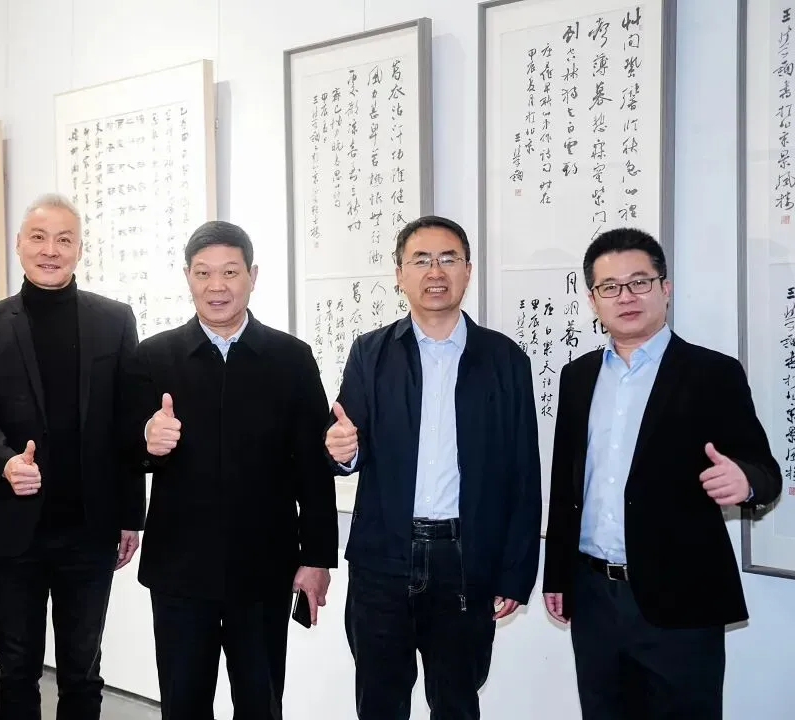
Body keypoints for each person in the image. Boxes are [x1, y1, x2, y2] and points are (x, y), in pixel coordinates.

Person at [542, 227, 781, 719]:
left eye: (639, 282)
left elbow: (765, 471)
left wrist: (746, 482)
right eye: (610, 287)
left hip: (681, 599)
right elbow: (567, 484)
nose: (626, 297)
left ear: (664, 288)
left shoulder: (712, 373)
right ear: (593, 299)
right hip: (594, 597)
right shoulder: (578, 376)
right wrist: (557, 574)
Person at [324, 215, 541, 719]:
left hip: (465, 559)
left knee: (458, 702)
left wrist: (515, 572)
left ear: (468, 271)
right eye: (420, 260)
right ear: (399, 274)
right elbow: (346, 441)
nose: (435, 272)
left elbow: (523, 473)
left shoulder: (505, 359)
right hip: (383, 558)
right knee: (379, 701)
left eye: (448, 259)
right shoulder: (371, 352)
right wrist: (341, 449)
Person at [131, 220, 338, 720]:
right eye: (203, 272)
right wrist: (147, 443)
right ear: (187, 277)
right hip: (180, 570)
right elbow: (123, 451)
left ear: (252, 276)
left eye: (230, 272)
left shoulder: (290, 359)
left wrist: (317, 558)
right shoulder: (154, 357)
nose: (216, 286)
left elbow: (313, 468)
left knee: (261, 704)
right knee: (183, 704)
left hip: (264, 568)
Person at [0, 193, 145, 720]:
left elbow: (128, 421)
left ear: (80, 248)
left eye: (64, 239)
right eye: (38, 238)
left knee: (83, 671)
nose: (50, 250)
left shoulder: (114, 320)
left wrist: (131, 514)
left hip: (90, 528)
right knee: (17, 669)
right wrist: (4, 462)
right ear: (19, 244)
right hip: (12, 528)